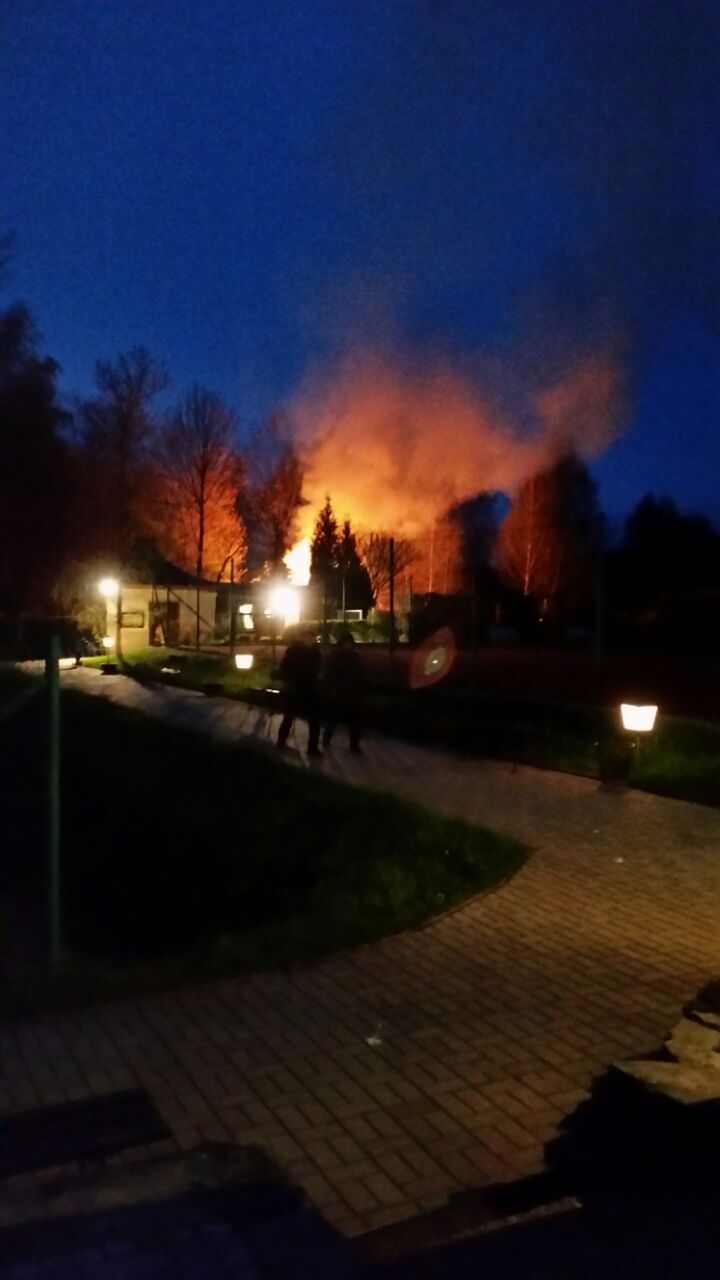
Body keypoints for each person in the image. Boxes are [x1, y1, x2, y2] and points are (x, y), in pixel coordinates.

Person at [277, 626, 322, 756]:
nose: (311, 640)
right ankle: (283, 741)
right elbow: (285, 669)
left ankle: (312, 747)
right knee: (291, 716)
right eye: (309, 637)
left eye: (313, 637)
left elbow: (317, 669)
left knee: (312, 719)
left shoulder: (312, 652)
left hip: (306, 689)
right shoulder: (298, 651)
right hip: (299, 689)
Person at [323, 629, 365, 753]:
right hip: (345, 691)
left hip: (344, 691)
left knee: (337, 718)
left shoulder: (336, 656)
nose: (348, 645)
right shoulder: (351, 656)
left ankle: (330, 739)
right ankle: (352, 744)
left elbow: (329, 674)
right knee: (344, 719)